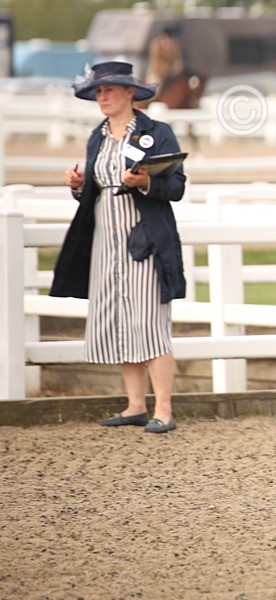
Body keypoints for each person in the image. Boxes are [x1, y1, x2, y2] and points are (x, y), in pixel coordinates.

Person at [51, 61, 187, 433]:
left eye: (109, 89)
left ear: (131, 93)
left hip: (144, 242)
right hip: (105, 243)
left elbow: (176, 186)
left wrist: (145, 181)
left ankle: (163, 409)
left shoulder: (156, 132)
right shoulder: (97, 137)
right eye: (98, 91)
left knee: (149, 323)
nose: (103, 97)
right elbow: (95, 190)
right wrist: (78, 184)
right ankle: (134, 405)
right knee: (119, 322)